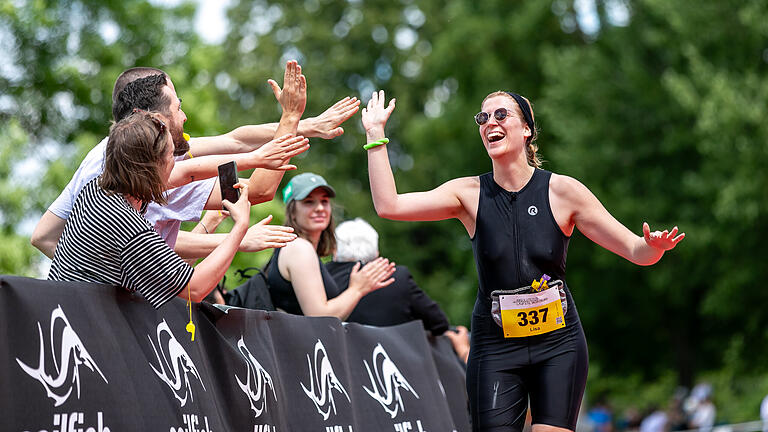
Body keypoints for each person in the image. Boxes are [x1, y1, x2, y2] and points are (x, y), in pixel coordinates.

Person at [362, 90, 685, 432]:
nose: (490, 123)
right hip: (495, 347)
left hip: (558, 343)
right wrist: (375, 137)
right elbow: (389, 206)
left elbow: (636, 251)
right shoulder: (468, 193)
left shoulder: (564, 192)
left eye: (501, 115)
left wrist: (655, 247)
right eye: (483, 118)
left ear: (527, 129)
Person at [31, 62, 360, 260]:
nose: (185, 116)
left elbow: (234, 140)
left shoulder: (107, 152)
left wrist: (308, 126)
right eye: (177, 107)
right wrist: (289, 117)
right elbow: (257, 191)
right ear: (148, 117)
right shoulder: (144, 169)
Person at [49, 111, 249, 307]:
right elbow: (194, 288)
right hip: (83, 328)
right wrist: (240, 227)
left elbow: (187, 173)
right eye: (172, 156)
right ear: (151, 167)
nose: (177, 164)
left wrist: (256, 158)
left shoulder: (98, 187)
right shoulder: (126, 225)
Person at [266, 173, 396, 319]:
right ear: (292, 212)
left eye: (324, 201)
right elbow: (319, 317)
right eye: (309, 202)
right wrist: (357, 289)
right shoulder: (300, 249)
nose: (320, 208)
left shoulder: (295, 247)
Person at [325, 217, 450, 334]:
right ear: (376, 252)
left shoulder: (321, 278)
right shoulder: (397, 277)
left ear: (335, 250)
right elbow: (439, 323)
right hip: (391, 356)